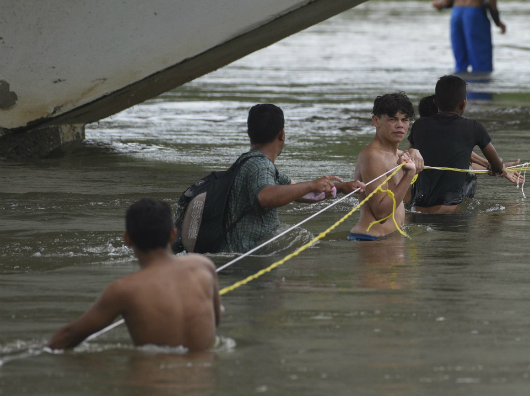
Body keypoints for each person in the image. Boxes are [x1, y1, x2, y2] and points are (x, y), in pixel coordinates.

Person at [48, 199, 222, 351]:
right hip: (202, 383)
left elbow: (69, 336)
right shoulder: (204, 266)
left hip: (151, 381)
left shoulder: (123, 290)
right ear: (173, 235)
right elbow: (216, 320)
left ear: (127, 239)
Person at [219, 104, 364, 253]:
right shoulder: (260, 165)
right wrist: (311, 185)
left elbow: (300, 193)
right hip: (245, 258)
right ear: (282, 134)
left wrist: (339, 188)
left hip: (240, 252)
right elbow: (265, 196)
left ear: (249, 133)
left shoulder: (248, 162)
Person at [408, 76, 517, 214]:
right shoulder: (474, 127)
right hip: (449, 211)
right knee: (499, 218)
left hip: (417, 209)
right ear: (463, 104)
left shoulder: (419, 126)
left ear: (435, 102)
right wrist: (499, 167)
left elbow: (411, 159)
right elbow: (496, 165)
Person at [348, 93, 425, 241]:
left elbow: (405, 198)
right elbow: (381, 213)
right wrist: (409, 174)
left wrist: (414, 151)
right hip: (372, 239)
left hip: (390, 237)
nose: (400, 125)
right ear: (376, 121)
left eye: (405, 120)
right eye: (392, 119)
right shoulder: (373, 156)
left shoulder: (401, 156)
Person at [416, 93, 523, 185]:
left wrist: (497, 167)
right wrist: (495, 165)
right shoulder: (422, 148)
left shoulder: (422, 137)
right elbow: (465, 155)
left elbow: (466, 161)